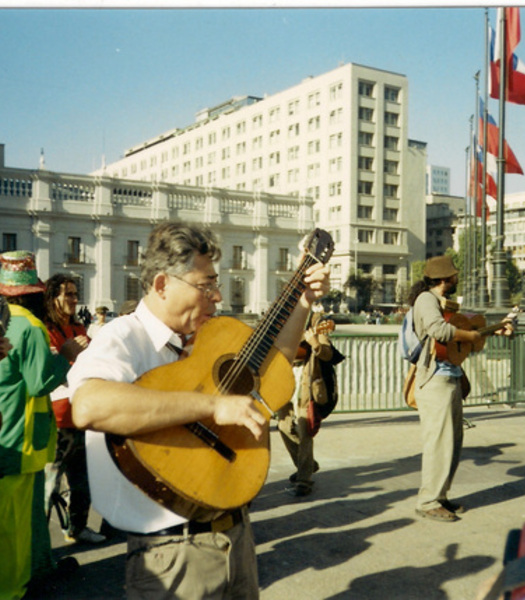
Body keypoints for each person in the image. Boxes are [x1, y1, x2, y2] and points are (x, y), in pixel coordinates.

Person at [67, 222, 330, 598]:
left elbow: (275, 366)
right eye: (205, 286)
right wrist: (211, 406)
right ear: (162, 284)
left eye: (216, 284)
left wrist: (303, 301)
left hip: (236, 536)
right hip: (171, 554)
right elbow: (89, 405)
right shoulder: (123, 336)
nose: (218, 296)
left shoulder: (207, 338)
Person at [0, 251, 84, 599]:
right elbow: (38, 383)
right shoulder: (31, 328)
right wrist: (65, 357)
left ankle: (38, 567)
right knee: (15, 521)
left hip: (9, 431)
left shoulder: (7, 324)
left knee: (28, 513)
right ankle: (13, 587)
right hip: (23, 437)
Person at [408, 255, 511, 523]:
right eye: (454, 276)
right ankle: (428, 501)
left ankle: (440, 496)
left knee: (452, 442)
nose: (457, 279)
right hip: (434, 379)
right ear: (445, 278)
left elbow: (462, 337)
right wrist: (469, 335)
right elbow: (440, 330)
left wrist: (490, 332)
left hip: (450, 376)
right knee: (438, 443)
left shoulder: (444, 302)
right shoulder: (426, 300)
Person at [43, 274, 106, 544]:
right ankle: (39, 545)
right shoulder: (45, 330)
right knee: (49, 484)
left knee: (82, 482)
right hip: (58, 419)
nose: (74, 298)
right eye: (67, 294)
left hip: (83, 417)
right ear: (52, 298)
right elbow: (53, 372)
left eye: (75, 293)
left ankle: (77, 528)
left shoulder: (80, 330)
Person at [277, 311, 333, 497]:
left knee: (304, 428)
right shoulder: (282, 320)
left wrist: (315, 343)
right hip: (282, 379)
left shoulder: (316, 322)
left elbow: (327, 354)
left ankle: (304, 479)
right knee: (283, 426)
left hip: (306, 381)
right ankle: (307, 465)